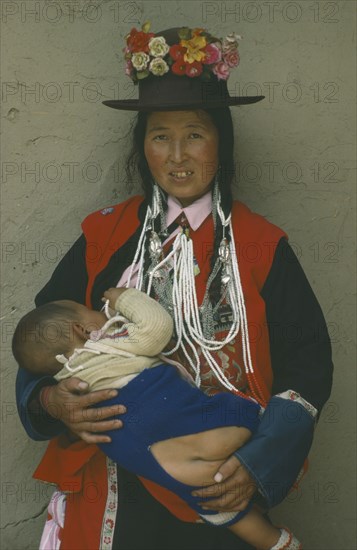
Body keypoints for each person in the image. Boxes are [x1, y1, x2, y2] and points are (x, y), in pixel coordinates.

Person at [15, 24, 333, 550]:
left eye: (195, 134)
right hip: (114, 477)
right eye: (160, 136)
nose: (178, 156)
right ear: (143, 147)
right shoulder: (104, 235)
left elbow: (309, 364)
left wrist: (256, 465)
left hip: (215, 482)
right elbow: (41, 337)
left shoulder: (262, 244)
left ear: (221, 143)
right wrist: (51, 401)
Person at [13, 287, 301, 549]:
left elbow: (39, 340)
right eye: (92, 311)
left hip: (133, 450)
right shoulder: (112, 344)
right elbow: (156, 328)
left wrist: (52, 394)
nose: (100, 313)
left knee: (213, 502)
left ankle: (275, 542)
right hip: (175, 424)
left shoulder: (69, 375)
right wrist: (124, 299)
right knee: (242, 420)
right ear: (83, 329)